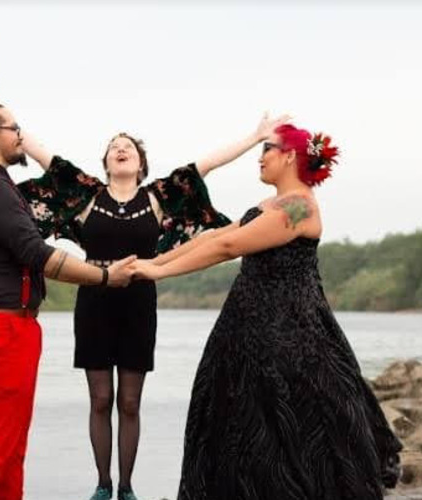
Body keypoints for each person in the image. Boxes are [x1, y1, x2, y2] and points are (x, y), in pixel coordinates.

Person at [14, 113, 288, 500]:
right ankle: (103, 486)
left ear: (140, 163)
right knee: (100, 400)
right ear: (106, 163)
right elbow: (43, 155)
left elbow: (207, 163)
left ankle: (127, 488)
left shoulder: (158, 197)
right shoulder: (86, 194)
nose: (120, 149)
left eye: (127, 147)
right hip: (94, 301)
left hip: (139, 302)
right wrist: (7, 122)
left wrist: (255, 136)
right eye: (113, 147)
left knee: (129, 402)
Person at [132, 123, 403, 500]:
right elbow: (216, 236)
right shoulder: (269, 205)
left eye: (267, 149)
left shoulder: (299, 206)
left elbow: (228, 247)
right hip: (246, 324)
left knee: (284, 419)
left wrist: (159, 274)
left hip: (288, 329)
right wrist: (150, 262)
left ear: (290, 156)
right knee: (235, 413)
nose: (259, 158)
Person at [0, 102, 136, 500]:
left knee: (11, 447)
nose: (21, 137)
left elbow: (55, 203)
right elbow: (38, 255)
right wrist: (105, 276)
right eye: (15, 129)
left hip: (9, 328)